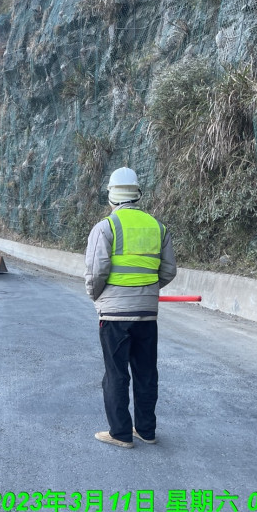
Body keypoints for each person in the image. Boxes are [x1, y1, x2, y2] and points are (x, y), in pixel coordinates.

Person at [84, 167, 177, 448]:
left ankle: (120, 433)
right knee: (146, 373)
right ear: (137, 194)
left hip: (114, 316)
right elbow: (168, 270)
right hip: (147, 315)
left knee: (116, 374)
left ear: (111, 195)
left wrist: (96, 296)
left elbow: (96, 272)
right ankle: (146, 431)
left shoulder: (106, 227)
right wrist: (146, 292)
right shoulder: (158, 227)